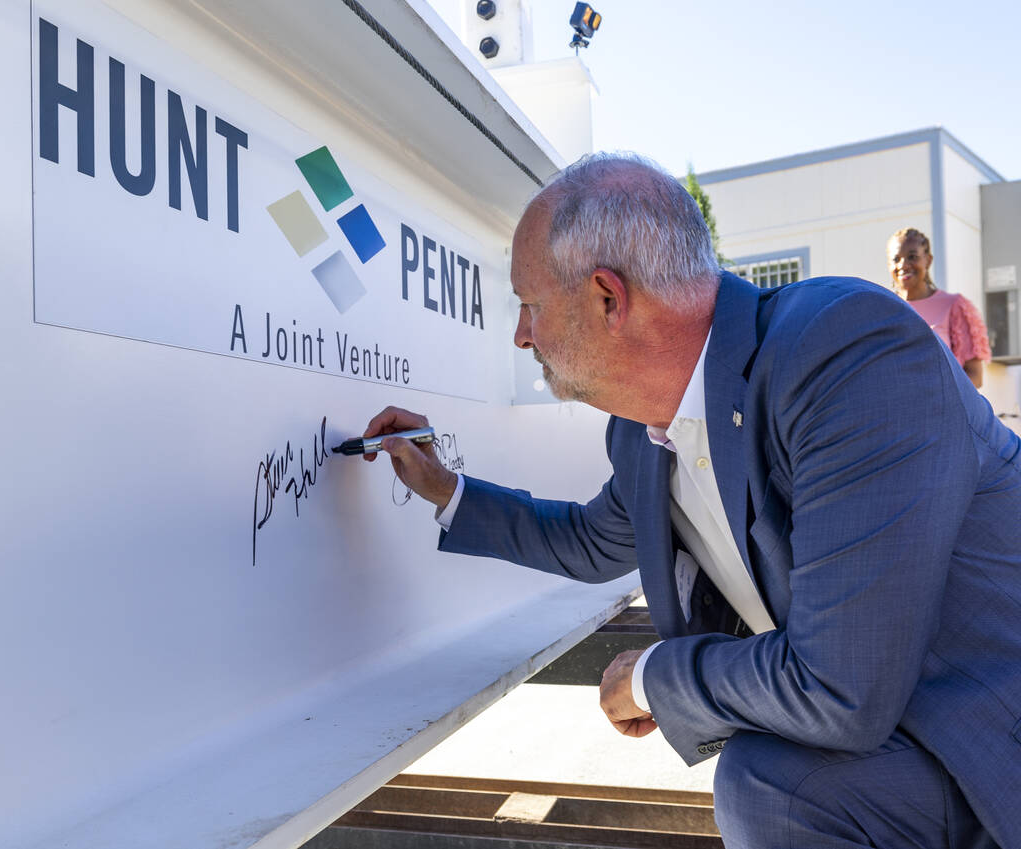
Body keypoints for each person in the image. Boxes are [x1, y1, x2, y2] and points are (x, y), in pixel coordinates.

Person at [361, 153, 1021, 848]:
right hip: (898, 746)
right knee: (766, 778)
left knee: (759, 782)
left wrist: (650, 676)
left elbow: (840, 686)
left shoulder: (845, 352)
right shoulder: (642, 429)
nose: (521, 334)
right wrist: (443, 488)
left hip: (988, 748)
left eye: (528, 304)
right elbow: (589, 541)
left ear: (607, 299)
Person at [887, 227, 991, 387]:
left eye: (912, 257)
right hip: (898, 408)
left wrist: (933, 390)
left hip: (941, 407)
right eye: (896, 259)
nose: (903, 265)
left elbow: (975, 376)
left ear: (928, 260)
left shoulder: (954, 305)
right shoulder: (885, 309)